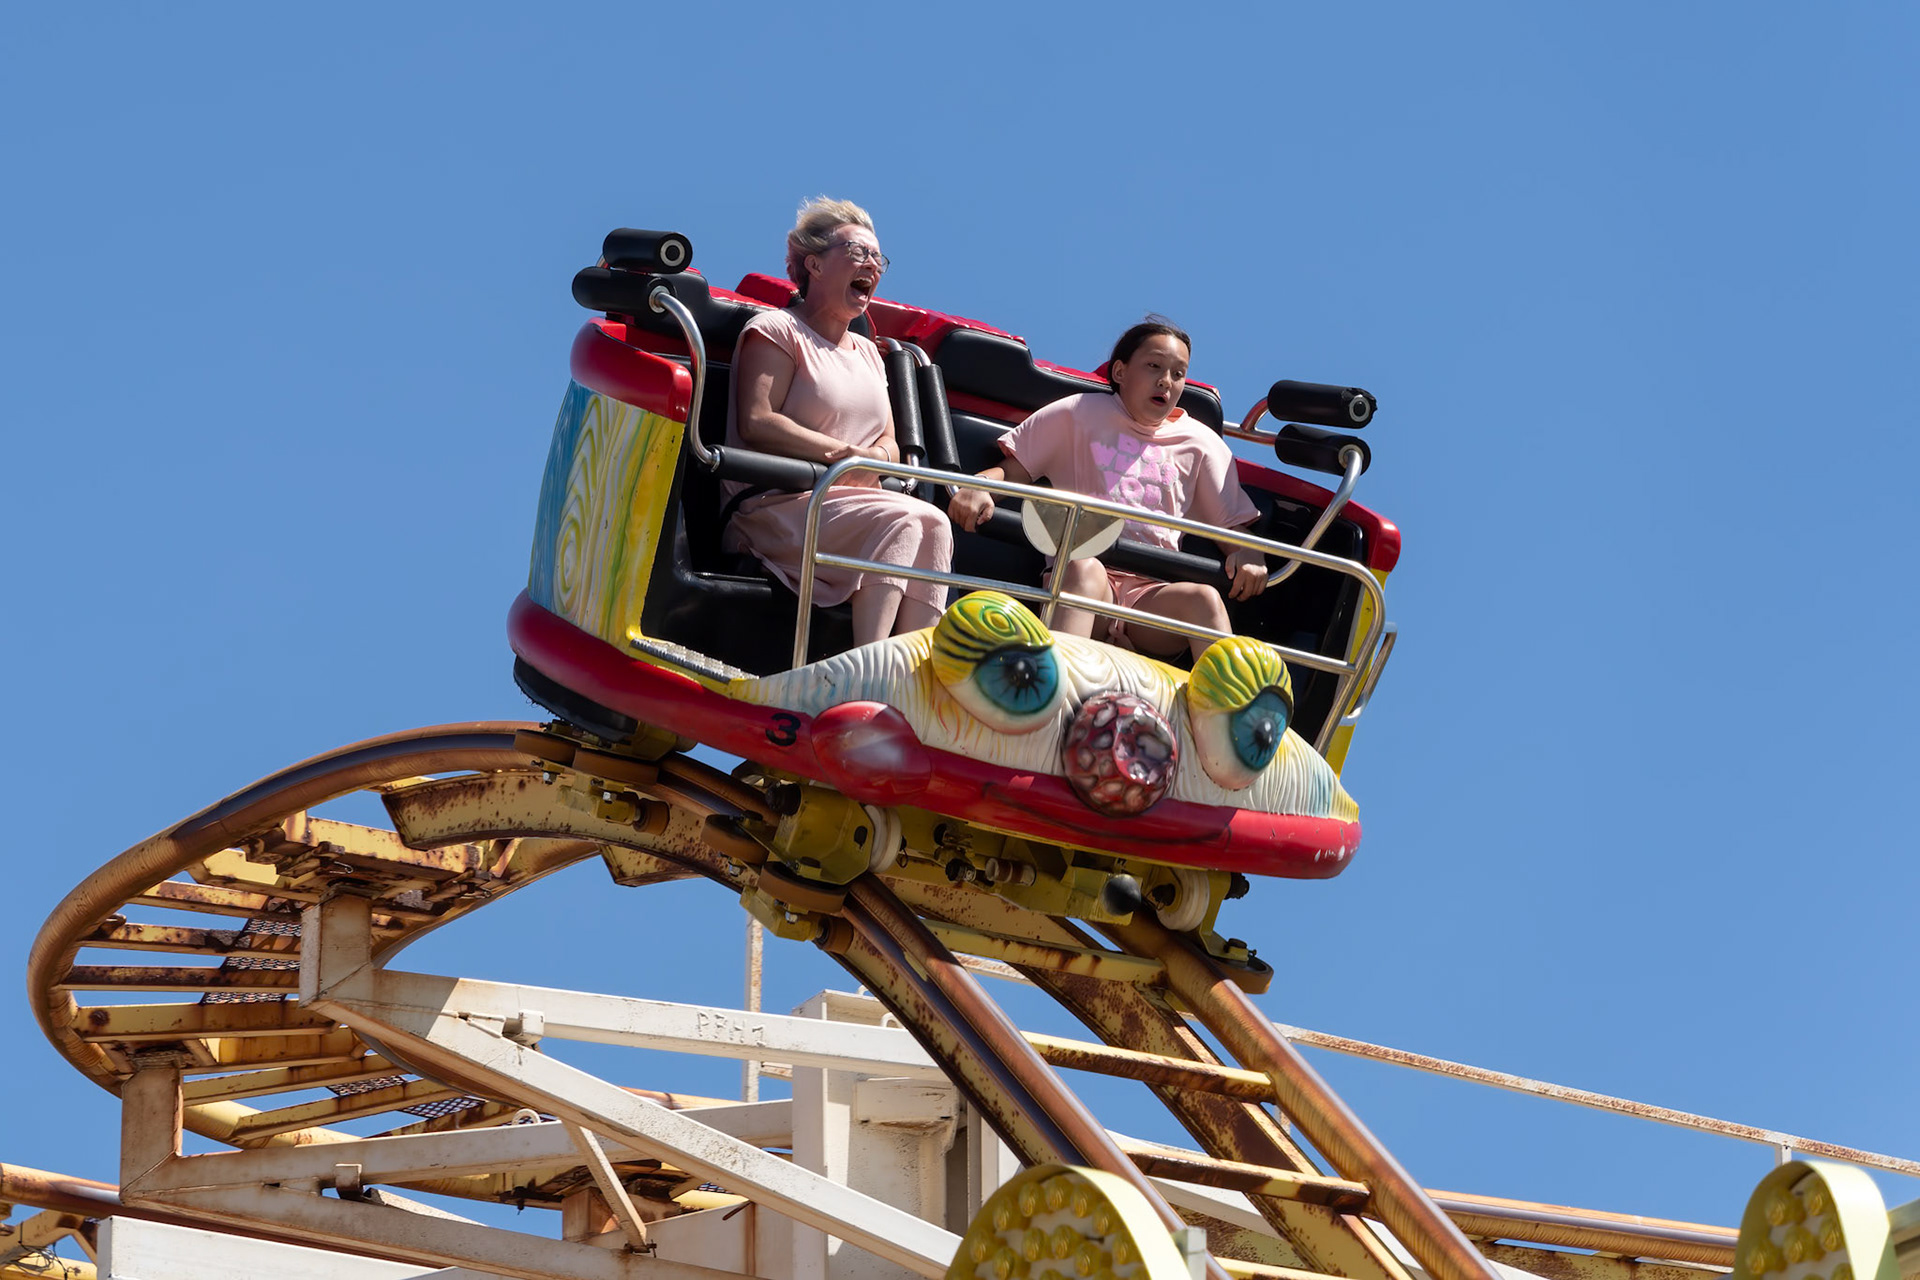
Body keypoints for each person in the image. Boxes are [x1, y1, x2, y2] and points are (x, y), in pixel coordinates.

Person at [947, 319, 1265, 661]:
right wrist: (979, 486)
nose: (1165, 381)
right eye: (1154, 366)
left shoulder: (1202, 443)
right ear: (1120, 372)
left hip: (1153, 593)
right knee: (1084, 567)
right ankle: (1055, 692)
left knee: (1204, 599)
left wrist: (1248, 554)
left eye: (1178, 373)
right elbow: (1013, 471)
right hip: (1084, 578)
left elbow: (1229, 525)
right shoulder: (1077, 413)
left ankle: (1232, 709)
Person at [725, 198, 953, 647]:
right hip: (778, 506)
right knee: (906, 522)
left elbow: (890, 442)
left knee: (935, 523)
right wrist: (841, 455)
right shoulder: (776, 330)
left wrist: (870, 457)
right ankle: (872, 665)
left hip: (854, 504)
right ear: (814, 264)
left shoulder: (870, 352)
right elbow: (757, 421)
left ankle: (913, 677)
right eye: (858, 253)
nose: (872, 265)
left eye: (877, 258)